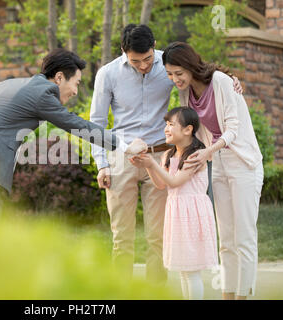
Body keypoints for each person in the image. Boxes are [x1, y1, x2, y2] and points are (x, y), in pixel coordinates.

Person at [90, 24, 241, 284]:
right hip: (120, 159)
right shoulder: (108, 74)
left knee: (158, 236)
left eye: (148, 58)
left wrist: (231, 79)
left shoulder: (168, 65)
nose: (144, 65)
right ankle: (119, 294)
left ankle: (154, 292)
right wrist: (102, 164)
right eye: (136, 61)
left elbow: (200, 73)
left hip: (160, 158)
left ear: (154, 47)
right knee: (121, 237)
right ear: (123, 51)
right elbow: (96, 122)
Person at [0, 48, 135, 219]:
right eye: (76, 83)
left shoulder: (2, 85)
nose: (76, 91)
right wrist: (124, 146)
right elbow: (75, 124)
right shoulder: (44, 93)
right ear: (59, 78)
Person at [162, 42, 264, 300]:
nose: (175, 79)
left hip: (243, 163)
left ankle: (244, 296)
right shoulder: (186, 94)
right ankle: (227, 296)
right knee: (226, 240)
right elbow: (191, 131)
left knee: (244, 238)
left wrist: (209, 151)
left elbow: (232, 127)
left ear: (189, 65)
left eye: (178, 73)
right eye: (169, 74)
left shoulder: (220, 82)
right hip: (217, 163)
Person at [130, 107, 219, 300]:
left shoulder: (196, 155)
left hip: (192, 215)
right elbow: (161, 184)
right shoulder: (168, 156)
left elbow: (175, 182)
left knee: (192, 271)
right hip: (177, 214)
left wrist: (151, 164)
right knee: (182, 270)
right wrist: (148, 167)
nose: (166, 129)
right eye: (166, 124)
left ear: (187, 130)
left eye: (171, 125)